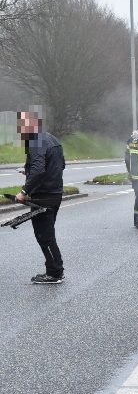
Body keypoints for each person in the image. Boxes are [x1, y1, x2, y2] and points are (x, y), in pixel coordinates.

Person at [14, 110, 66, 284]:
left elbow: (38, 170)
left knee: (45, 236)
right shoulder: (52, 139)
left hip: (43, 196)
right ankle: (55, 269)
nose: (20, 131)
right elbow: (60, 165)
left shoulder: (35, 142)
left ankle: (55, 273)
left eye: (21, 127)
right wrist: (28, 171)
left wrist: (24, 192)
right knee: (48, 234)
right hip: (55, 193)